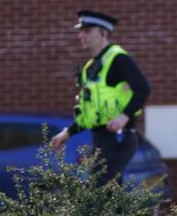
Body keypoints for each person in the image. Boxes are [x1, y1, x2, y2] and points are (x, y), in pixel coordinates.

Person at [51, 10, 151, 185]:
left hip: (119, 138)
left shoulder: (118, 59)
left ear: (103, 33)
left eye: (87, 30)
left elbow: (143, 88)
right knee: (107, 196)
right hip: (101, 139)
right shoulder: (89, 67)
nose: (81, 35)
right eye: (80, 30)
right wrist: (68, 133)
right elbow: (89, 113)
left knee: (99, 190)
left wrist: (124, 116)